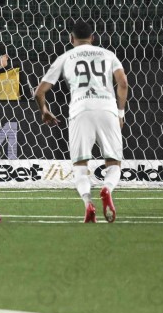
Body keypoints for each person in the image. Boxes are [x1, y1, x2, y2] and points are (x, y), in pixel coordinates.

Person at [34, 19, 128, 223]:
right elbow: (123, 83)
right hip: (107, 109)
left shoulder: (65, 57)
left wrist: (44, 111)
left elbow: (39, 92)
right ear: (93, 38)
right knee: (114, 162)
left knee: (80, 165)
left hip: (80, 110)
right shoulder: (108, 54)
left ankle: (88, 203)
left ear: (71, 38)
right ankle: (107, 188)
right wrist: (120, 113)